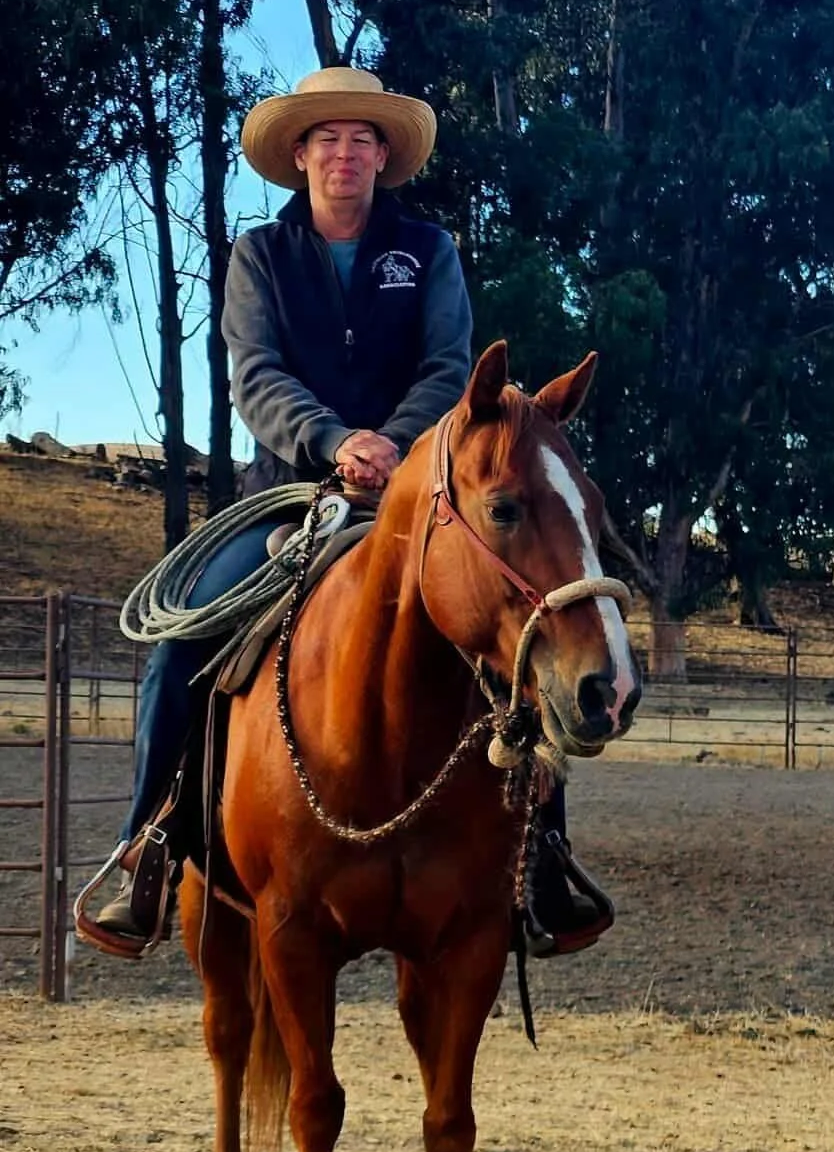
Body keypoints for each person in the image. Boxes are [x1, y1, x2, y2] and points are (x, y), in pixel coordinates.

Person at [89, 65, 605, 951]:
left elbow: (450, 368)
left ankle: (541, 856)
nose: (344, 151)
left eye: (362, 138)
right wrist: (334, 441)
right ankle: (149, 842)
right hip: (287, 495)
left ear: (382, 158)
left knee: (517, 631)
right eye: (327, 137)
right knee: (181, 644)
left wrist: (395, 447)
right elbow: (254, 375)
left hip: (417, 497)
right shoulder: (261, 256)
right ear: (300, 155)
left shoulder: (429, 250)